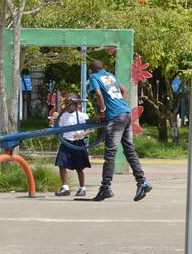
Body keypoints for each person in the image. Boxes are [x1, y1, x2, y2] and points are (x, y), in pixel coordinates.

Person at [86, 60, 151, 202]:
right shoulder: (109, 75)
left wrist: (103, 110)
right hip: (126, 113)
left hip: (115, 118)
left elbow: (97, 93)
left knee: (110, 153)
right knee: (129, 149)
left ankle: (105, 187)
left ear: (90, 71)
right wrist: (120, 105)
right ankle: (142, 182)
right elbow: (124, 91)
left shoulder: (93, 78)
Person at [53, 95, 91, 197]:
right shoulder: (63, 116)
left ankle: (82, 188)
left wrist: (82, 134)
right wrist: (54, 124)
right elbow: (59, 128)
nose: (68, 106)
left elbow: (88, 129)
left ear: (76, 105)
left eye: (70, 103)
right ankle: (65, 188)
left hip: (78, 143)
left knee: (79, 167)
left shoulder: (83, 116)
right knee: (61, 164)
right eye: (66, 103)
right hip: (66, 142)